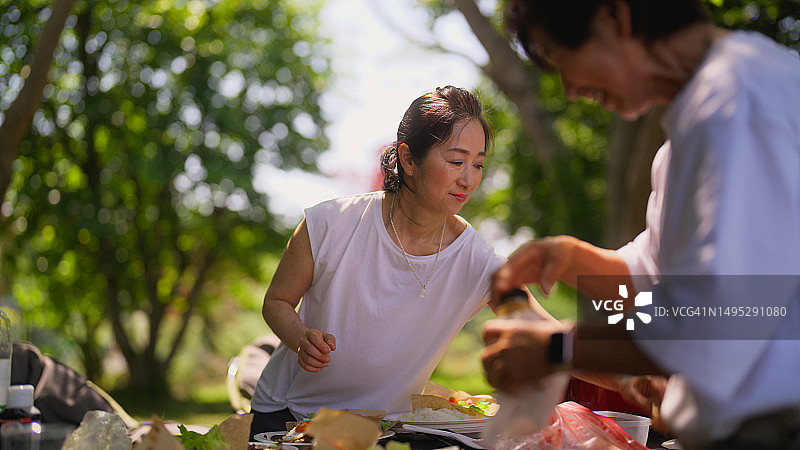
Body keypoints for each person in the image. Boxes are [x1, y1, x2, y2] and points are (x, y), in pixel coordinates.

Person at [482, 0, 800, 448]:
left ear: (615, 17)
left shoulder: (739, 99)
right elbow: (656, 280)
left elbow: (722, 317)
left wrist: (556, 348)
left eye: (560, 57)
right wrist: (571, 259)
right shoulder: (689, 132)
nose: (570, 89)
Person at [247, 86, 557, 439]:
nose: (469, 179)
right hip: (290, 416)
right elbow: (277, 301)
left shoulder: (479, 262)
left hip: (388, 427)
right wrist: (301, 338)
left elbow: (545, 333)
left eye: (478, 165)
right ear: (408, 159)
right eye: (456, 162)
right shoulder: (329, 223)